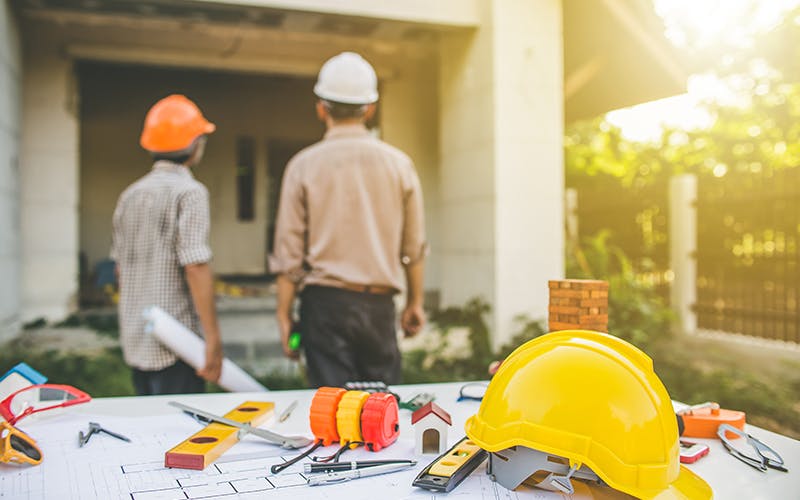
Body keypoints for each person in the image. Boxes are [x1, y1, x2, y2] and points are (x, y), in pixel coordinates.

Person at [271, 52, 428, 388]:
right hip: (379, 308)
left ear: (321, 107)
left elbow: (289, 254)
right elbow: (413, 247)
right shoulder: (399, 164)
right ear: (369, 109)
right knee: (383, 415)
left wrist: (284, 315)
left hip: (324, 307)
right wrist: (415, 302)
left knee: (332, 417)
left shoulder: (303, 165)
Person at [111, 94, 223, 395]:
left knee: (152, 431)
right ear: (196, 143)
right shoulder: (191, 192)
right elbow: (196, 266)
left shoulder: (129, 196)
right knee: (181, 435)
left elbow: (120, 270)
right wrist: (212, 339)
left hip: (137, 338)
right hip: (176, 344)